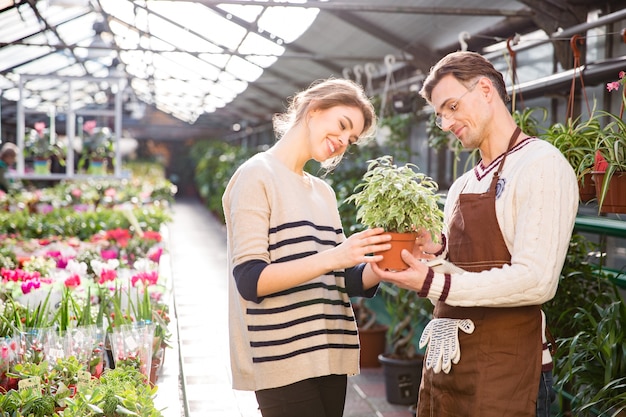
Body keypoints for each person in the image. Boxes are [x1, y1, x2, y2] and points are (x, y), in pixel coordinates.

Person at [372, 51, 579, 417]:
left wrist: (433, 282)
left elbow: (536, 281)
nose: (446, 122)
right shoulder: (463, 183)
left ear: (485, 89)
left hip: (509, 369)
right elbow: (460, 279)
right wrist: (435, 257)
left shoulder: (541, 165)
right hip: (448, 364)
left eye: (451, 106)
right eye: (439, 115)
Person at [222, 78, 392, 417]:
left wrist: (384, 264)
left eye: (351, 139)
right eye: (342, 126)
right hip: (282, 356)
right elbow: (251, 280)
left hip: (330, 351)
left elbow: (344, 280)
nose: (343, 141)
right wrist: (335, 256)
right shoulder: (257, 175)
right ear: (314, 110)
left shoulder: (322, 191)